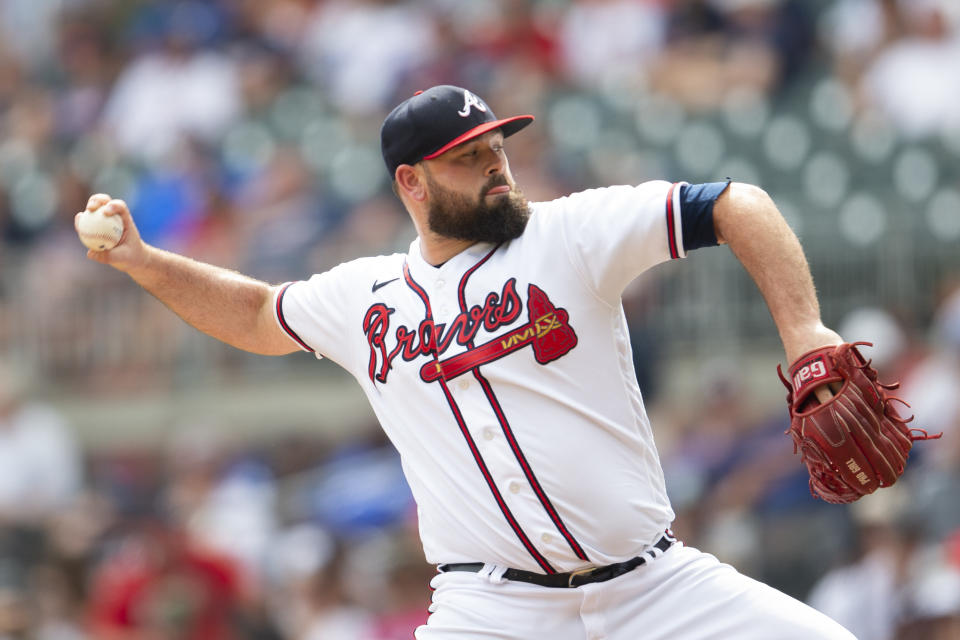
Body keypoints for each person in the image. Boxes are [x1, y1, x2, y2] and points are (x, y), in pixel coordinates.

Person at [77, 84, 854, 639]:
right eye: (467, 157)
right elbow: (253, 312)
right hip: (492, 612)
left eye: (495, 148)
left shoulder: (569, 233)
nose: (495, 166)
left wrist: (805, 329)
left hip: (655, 588)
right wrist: (145, 261)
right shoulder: (366, 296)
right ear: (410, 182)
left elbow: (734, 203)